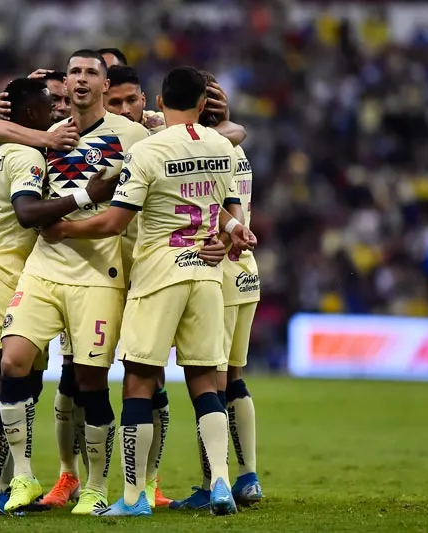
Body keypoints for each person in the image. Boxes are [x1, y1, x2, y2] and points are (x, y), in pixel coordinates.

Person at [41, 66, 256, 517]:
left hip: (159, 273)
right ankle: (219, 480)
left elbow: (115, 222)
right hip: (206, 276)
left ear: (158, 101)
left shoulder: (149, 150)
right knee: (204, 380)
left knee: (139, 379)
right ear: (201, 104)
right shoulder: (223, 147)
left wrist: (65, 228)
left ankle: (135, 496)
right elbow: (227, 207)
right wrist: (235, 228)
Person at [0, 77, 118, 515]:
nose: (56, 113)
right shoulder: (28, 153)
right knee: (7, 381)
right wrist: (84, 193)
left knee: (6, 380)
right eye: (49, 105)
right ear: (30, 115)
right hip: (4, 271)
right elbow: (26, 213)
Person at [0, 49, 150, 515]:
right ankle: (23, 477)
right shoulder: (46, 134)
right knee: (14, 361)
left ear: (106, 85)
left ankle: (95, 486)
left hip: (99, 273)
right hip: (44, 266)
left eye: (90, 73)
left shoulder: (133, 135)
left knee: (91, 383)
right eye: (74, 72)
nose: (81, 79)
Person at [170, 71, 263, 511]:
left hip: (218, 269)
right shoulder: (235, 149)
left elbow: (221, 213)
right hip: (245, 270)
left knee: (213, 381)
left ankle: (217, 483)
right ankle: (248, 477)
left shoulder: (201, 151)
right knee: (235, 376)